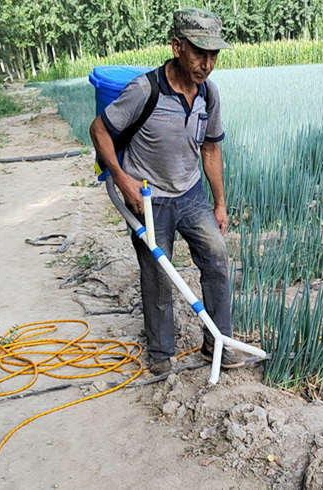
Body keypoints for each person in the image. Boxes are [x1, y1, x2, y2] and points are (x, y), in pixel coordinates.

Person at [89, 8, 243, 376]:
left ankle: (217, 342)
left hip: (190, 194)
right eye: (198, 53)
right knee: (158, 274)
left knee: (217, 256)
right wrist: (123, 181)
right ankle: (161, 355)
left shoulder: (209, 93)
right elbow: (99, 130)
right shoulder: (145, 90)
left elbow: (210, 149)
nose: (207, 64)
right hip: (148, 197)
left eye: (213, 56)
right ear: (177, 47)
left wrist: (220, 203)